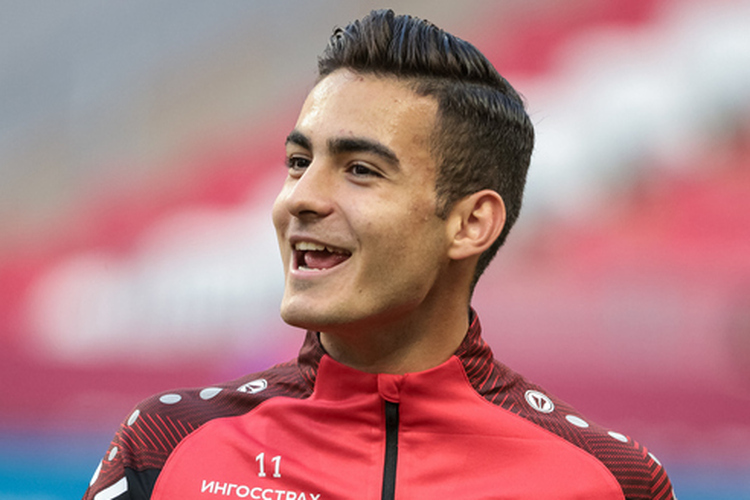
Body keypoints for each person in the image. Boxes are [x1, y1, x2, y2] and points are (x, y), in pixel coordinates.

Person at [84, 10, 674, 500]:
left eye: (360, 170)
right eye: (298, 162)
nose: (300, 198)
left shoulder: (611, 483)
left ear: (471, 224)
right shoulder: (165, 448)